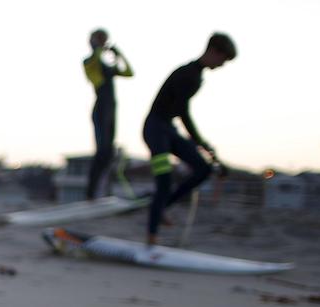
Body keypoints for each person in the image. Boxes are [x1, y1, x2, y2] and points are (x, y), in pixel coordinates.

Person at [143, 33, 236, 245]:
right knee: (164, 182)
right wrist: (200, 142)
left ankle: (163, 207)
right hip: (155, 129)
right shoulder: (188, 75)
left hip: (168, 129)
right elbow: (183, 113)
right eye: (223, 60)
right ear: (214, 51)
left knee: (203, 169)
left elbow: (180, 115)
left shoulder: (197, 76)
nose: (222, 65)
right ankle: (151, 238)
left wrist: (200, 146)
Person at [83, 29, 133, 200]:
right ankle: (90, 193)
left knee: (109, 153)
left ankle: (102, 190)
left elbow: (129, 72)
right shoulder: (89, 62)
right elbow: (96, 59)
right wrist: (98, 46)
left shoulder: (108, 68)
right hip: (101, 108)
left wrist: (118, 54)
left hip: (112, 108)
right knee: (101, 151)